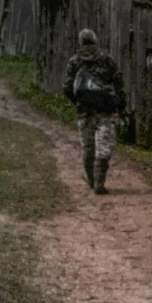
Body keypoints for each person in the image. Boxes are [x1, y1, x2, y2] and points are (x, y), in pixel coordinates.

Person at [65, 27, 126, 194]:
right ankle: (99, 183)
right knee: (104, 146)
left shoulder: (75, 61)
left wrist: (78, 102)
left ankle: (91, 180)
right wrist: (121, 106)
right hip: (106, 111)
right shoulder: (107, 60)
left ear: (80, 42)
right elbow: (119, 84)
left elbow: (67, 87)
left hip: (84, 111)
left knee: (88, 146)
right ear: (96, 41)